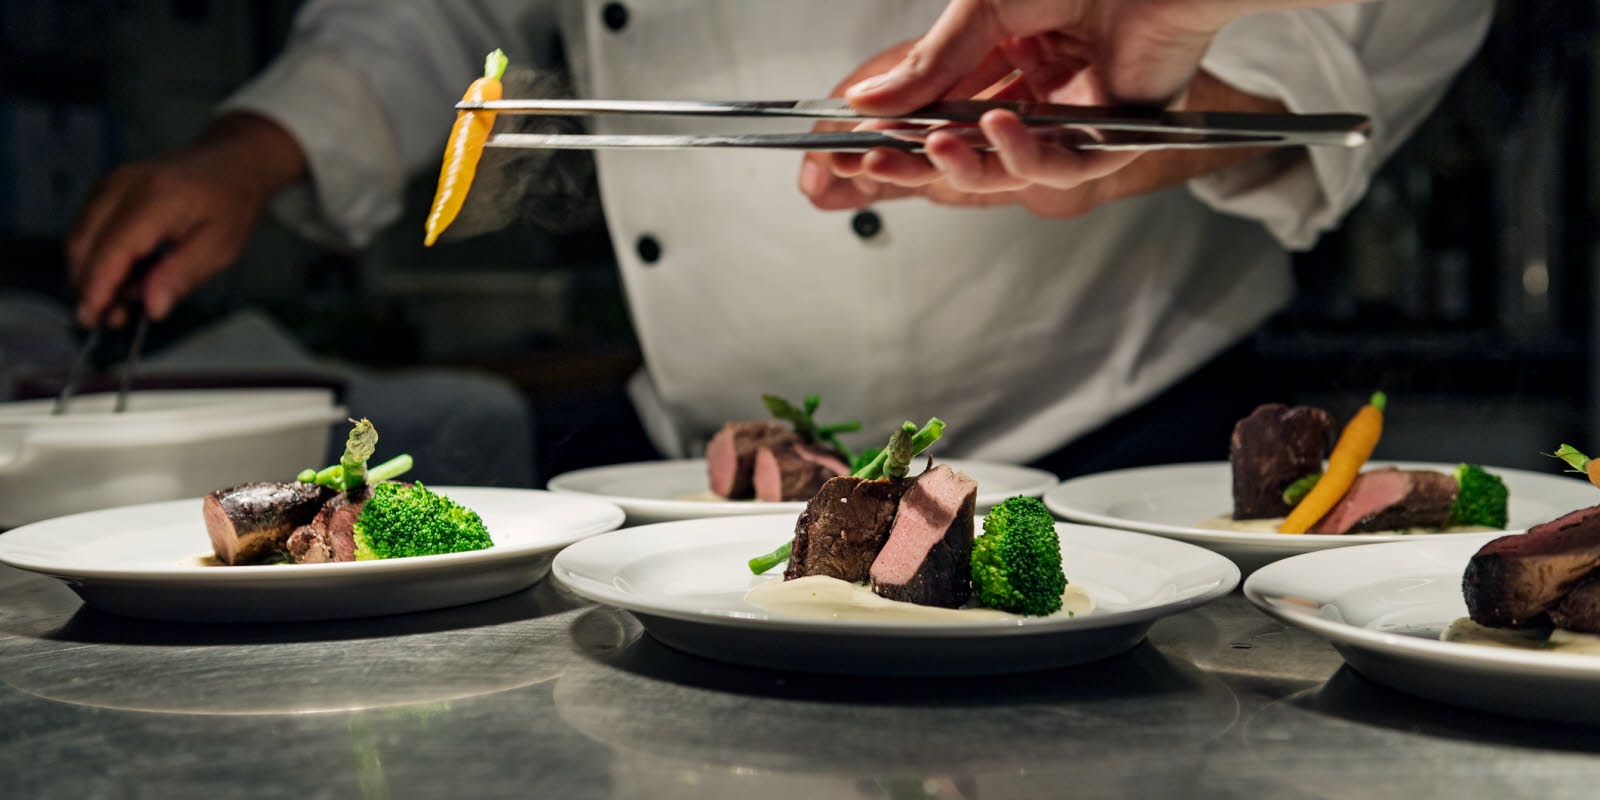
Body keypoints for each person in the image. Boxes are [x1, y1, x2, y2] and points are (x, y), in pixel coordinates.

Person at [66, 0, 1492, 480]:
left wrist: (1193, 105)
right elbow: (450, 9)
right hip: (707, 463)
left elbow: (1368, 26)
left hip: (1112, 422)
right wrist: (257, 147)